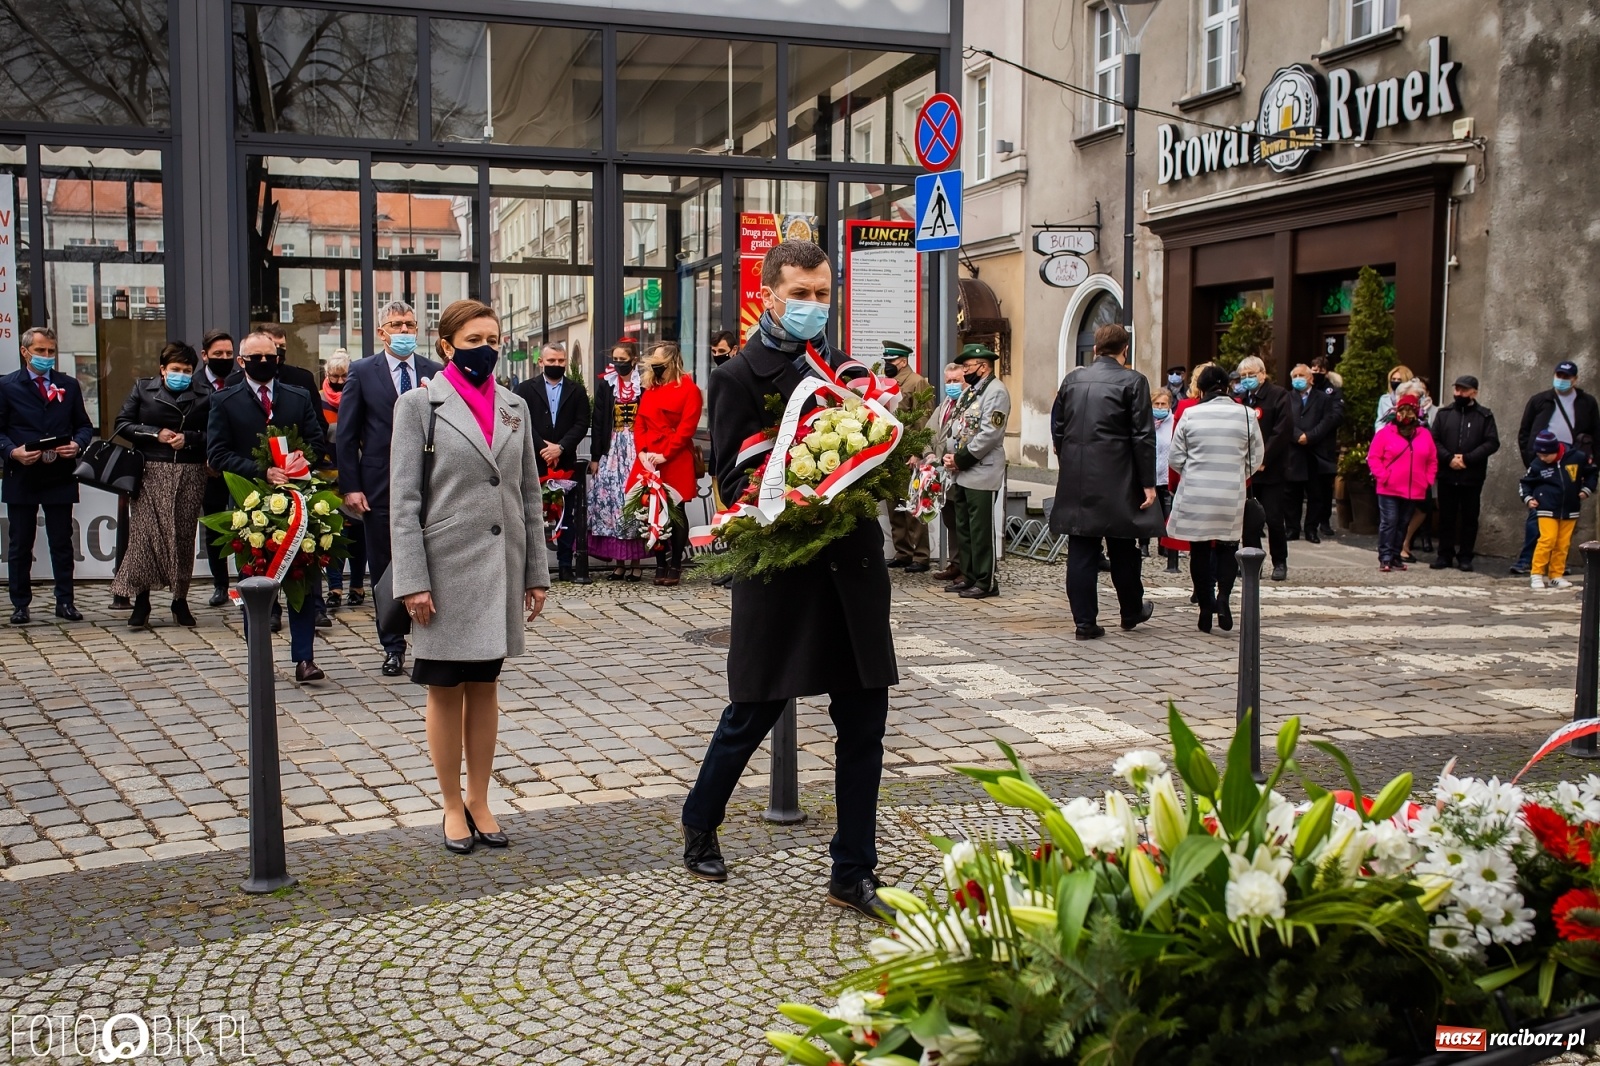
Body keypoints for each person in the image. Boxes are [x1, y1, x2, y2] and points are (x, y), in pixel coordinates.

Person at [683, 240, 897, 922]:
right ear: (769, 294)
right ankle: (700, 820)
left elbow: (878, 453)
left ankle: (852, 870)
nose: (813, 306)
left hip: (853, 566)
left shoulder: (845, 371)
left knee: (864, 723)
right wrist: (804, 482)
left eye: (823, 293)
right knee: (754, 709)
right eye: (800, 293)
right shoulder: (739, 374)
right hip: (783, 568)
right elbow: (731, 479)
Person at [388, 299, 548, 854]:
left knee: (485, 685)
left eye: (494, 338)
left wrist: (537, 572)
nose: (488, 348)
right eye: (475, 339)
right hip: (443, 571)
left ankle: (481, 799)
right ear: (447, 345)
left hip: (500, 568)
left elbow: (528, 493)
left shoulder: (514, 408)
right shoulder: (419, 405)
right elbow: (404, 501)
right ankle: (452, 804)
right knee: (444, 687)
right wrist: (412, 578)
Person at [207, 330, 329, 680]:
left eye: (271, 356)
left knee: (302, 578)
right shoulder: (225, 401)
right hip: (249, 505)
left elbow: (316, 440)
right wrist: (262, 470)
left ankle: (304, 658)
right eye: (256, 357)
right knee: (253, 580)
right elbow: (217, 454)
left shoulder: (298, 395)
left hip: (297, 501)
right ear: (242, 361)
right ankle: (259, 656)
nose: (265, 362)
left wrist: (297, 463)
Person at [336, 300, 444, 676]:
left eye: (409, 325)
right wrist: (350, 485)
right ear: (381, 331)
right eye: (395, 325)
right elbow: (346, 436)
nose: (403, 331)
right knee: (386, 567)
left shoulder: (435, 372)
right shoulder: (363, 372)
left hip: (431, 483)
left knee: (433, 562)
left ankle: (433, 643)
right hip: (379, 484)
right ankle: (393, 646)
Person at [1048, 323, 1160, 640]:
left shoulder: (1072, 379)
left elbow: (1057, 425)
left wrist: (1067, 460)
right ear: (1125, 350)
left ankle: (1085, 623)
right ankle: (1130, 610)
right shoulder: (1134, 381)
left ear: (1096, 349)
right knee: (1124, 546)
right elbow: (1143, 436)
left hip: (1077, 474)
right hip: (1118, 475)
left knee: (1081, 550)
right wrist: (1148, 483)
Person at [110, 341, 211, 628]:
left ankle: (180, 599)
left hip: (189, 471)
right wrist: (156, 433)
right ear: (163, 369)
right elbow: (123, 423)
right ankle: (141, 601)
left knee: (182, 535)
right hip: (150, 470)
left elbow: (213, 432)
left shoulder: (205, 394)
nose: (181, 374)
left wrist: (189, 438)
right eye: (176, 369)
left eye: (187, 370)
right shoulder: (143, 388)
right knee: (144, 537)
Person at [0, 327, 93, 624]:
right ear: (25, 352)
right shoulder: (7, 386)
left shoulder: (69, 385)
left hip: (59, 475)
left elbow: (84, 426)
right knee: (20, 543)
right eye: (40, 351)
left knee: (62, 542)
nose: (46, 356)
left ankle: (65, 601)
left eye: (51, 351)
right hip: (23, 475)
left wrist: (77, 445)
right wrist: (12, 452)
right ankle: (20, 604)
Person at [1167, 365, 1264, 633]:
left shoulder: (1190, 414)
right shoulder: (1246, 415)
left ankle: (1205, 605)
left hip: (1197, 491)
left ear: (1201, 388)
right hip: (1231, 492)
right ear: (1228, 386)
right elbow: (1256, 456)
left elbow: (1175, 457)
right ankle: (1223, 598)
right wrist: (1236, 472)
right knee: (1227, 547)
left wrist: (1194, 471)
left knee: (1199, 549)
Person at [1511, 360, 1600, 575]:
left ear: (1575, 379)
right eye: (1559, 375)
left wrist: (1591, 465)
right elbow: (1524, 432)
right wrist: (1532, 460)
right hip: (1544, 461)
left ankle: (1556, 566)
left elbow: (1596, 433)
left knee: (1564, 518)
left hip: (1571, 462)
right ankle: (1528, 561)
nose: (1562, 380)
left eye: (1566, 377)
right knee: (1538, 513)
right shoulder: (1540, 400)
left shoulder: (1586, 402)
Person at [514, 342, 592, 582]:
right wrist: (543, 448)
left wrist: (561, 447)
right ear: (541, 362)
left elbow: (581, 422)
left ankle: (566, 564)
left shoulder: (576, 390)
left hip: (565, 462)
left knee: (566, 515)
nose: (556, 365)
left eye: (560, 361)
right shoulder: (525, 390)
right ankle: (533, 568)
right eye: (551, 361)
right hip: (534, 462)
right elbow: (520, 420)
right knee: (533, 515)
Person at [630, 342, 703, 587]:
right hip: (649, 458)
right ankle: (659, 562)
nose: (654, 366)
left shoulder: (689, 389)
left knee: (676, 512)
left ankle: (675, 565)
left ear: (671, 362)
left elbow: (687, 429)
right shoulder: (650, 389)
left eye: (658, 362)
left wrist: (666, 454)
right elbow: (639, 423)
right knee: (649, 511)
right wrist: (641, 451)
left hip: (674, 456)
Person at [941, 345, 1010, 599]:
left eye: (968, 367)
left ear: (983, 366)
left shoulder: (996, 392)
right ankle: (968, 576)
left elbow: (990, 434)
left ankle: (985, 581)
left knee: (980, 529)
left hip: (980, 470)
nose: (965, 371)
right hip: (961, 470)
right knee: (964, 528)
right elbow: (958, 426)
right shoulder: (970, 392)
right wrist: (949, 456)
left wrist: (961, 459)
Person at [589, 340, 648, 581]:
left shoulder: (643, 383)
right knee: (612, 502)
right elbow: (599, 418)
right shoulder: (607, 384)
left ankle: (636, 562)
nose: (618, 363)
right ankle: (619, 562)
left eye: (622, 359)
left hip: (637, 447)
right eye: (615, 359)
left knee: (634, 502)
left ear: (633, 360)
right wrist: (595, 457)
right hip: (612, 448)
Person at [1429, 375, 1499, 572]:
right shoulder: (1444, 414)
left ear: (1474, 393)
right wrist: (1449, 458)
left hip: (1471, 476)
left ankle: (1466, 556)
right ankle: (1444, 554)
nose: (1459, 393)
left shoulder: (1484, 416)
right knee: (1446, 517)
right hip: (1447, 474)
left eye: (1464, 390)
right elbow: (1434, 440)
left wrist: (1467, 459)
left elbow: (1492, 442)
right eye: (1457, 389)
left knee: (1469, 518)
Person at [1234, 356, 1294, 581]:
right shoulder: (1240, 400)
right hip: (1246, 470)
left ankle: (1280, 562)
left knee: (1274, 518)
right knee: (1249, 519)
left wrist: (1263, 458)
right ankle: (1252, 563)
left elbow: (1283, 431)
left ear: (1262, 374)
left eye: (1251, 375)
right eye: (1243, 376)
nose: (1247, 379)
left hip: (1271, 469)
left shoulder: (1279, 396)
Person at [318, 349, 367, 609]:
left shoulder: (360, 398)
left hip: (357, 474)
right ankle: (334, 588)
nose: (338, 381)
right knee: (332, 535)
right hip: (327, 477)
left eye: (343, 376)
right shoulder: (318, 401)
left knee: (359, 534)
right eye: (333, 376)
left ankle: (357, 585)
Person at [1368, 393, 1438, 573]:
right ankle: (1385, 557)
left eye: (1410, 411)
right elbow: (1374, 458)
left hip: (1413, 488)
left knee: (1403, 523)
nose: (1405, 416)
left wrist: (1427, 480)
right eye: (1402, 411)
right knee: (1389, 521)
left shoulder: (1424, 435)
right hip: (1389, 487)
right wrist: (1383, 476)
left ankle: (1395, 556)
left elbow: (1432, 459)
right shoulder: (1385, 433)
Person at [1521, 429, 1596, 590]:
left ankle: (1556, 575)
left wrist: (1587, 489)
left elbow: (1592, 473)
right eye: (1539, 455)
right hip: (1546, 507)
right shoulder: (1537, 464)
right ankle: (1536, 573)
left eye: (1545, 455)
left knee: (1562, 544)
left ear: (1555, 450)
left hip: (1570, 508)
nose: (1542, 458)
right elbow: (1525, 482)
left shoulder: (1577, 458)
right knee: (1547, 540)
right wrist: (1528, 498)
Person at [194, 329, 238, 606]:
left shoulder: (238, 381)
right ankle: (220, 584)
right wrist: (206, 456)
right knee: (215, 528)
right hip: (208, 469)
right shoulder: (194, 383)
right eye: (218, 354)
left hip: (239, 464)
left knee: (247, 523)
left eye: (229, 354)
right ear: (205, 355)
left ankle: (249, 582)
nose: (224, 359)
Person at [882, 340, 932, 573]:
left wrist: (917, 452)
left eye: (891, 361)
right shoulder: (887, 384)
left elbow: (923, 418)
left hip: (908, 452)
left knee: (912, 505)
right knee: (894, 506)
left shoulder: (916, 382)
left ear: (902, 361)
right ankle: (903, 552)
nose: (887, 365)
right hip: (890, 452)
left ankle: (921, 556)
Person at [1283, 363, 1340, 544]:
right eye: (1295, 376)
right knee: (1292, 495)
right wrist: (1297, 435)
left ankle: (1311, 529)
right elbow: (1284, 420)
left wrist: (1310, 436)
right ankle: (1292, 528)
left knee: (1316, 495)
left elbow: (1328, 421)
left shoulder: (1323, 398)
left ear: (1311, 378)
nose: (1298, 379)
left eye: (1301, 375)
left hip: (1316, 452)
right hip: (1294, 452)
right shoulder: (1286, 398)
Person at [928, 362, 966, 584]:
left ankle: (966, 567)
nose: (951, 385)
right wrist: (928, 454)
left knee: (962, 522)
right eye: (948, 381)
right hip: (943, 475)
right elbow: (928, 434)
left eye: (956, 381)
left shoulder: (967, 406)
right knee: (950, 520)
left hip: (960, 471)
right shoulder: (943, 407)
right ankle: (955, 563)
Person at [1394, 379, 1436, 563]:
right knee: (1397, 510)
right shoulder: (1394, 414)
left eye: (1418, 396)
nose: (1415, 400)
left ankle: (1405, 540)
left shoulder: (1430, 412)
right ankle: (1398, 545)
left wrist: (1429, 476)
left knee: (1424, 506)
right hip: (1399, 471)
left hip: (1419, 471)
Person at [1306, 356, 1344, 537]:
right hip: (1304, 445)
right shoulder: (1307, 389)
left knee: (1323, 487)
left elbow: (1336, 416)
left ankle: (1324, 521)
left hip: (1323, 446)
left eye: (1319, 369)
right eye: (1313, 368)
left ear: (1326, 372)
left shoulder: (1333, 391)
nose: (1316, 372)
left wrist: (1315, 432)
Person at [1151, 388, 1178, 572]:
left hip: (1167, 475)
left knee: (1168, 511)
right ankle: (1144, 544)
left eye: (1163, 404)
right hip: (1151, 474)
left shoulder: (1175, 422)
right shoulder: (1147, 423)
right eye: (1157, 404)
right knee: (1150, 510)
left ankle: (1166, 546)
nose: (1160, 407)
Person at [1374, 364, 1418, 429]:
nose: (1395, 382)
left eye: (1399, 380)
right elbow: (1379, 421)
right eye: (1393, 379)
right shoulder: (1384, 399)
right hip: (1387, 435)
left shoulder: (1414, 399)